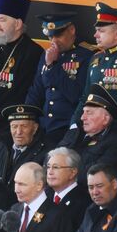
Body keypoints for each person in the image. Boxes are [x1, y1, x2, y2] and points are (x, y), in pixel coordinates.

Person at [25, 13, 93, 142]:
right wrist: (27, 116)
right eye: (50, 36)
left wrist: (52, 67)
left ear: (71, 30)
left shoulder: (87, 55)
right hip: (44, 125)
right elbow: (36, 91)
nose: (54, 42)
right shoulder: (47, 54)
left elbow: (76, 94)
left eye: (58, 35)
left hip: (67, 127)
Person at [72, 2, 117, 124]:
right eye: (96, 30)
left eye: (101, 31)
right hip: (91, 123)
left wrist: (106, 121)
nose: (95, 35)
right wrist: (74, 123)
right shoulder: (95, 58)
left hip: (114, 125)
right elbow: (86, 97)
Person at [60, 85, 117, 183]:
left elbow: (93, 175)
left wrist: (61, 174)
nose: (82, 117)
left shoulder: (116, 143)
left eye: (89, 113)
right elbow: (53, 157)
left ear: (105, 119)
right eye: (83, 112)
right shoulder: (75, 131)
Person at [45, 147, 90, 232]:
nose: (50, 172)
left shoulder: (84, 202)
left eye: (56, 167)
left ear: (72, 172)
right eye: (48, 167)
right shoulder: (43, 195)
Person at [4, 104, 49, 187]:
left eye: (24, 126)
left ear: (35, 128)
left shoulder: (44, 153)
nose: (18, 132)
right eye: (14, 127)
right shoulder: (2, 148)